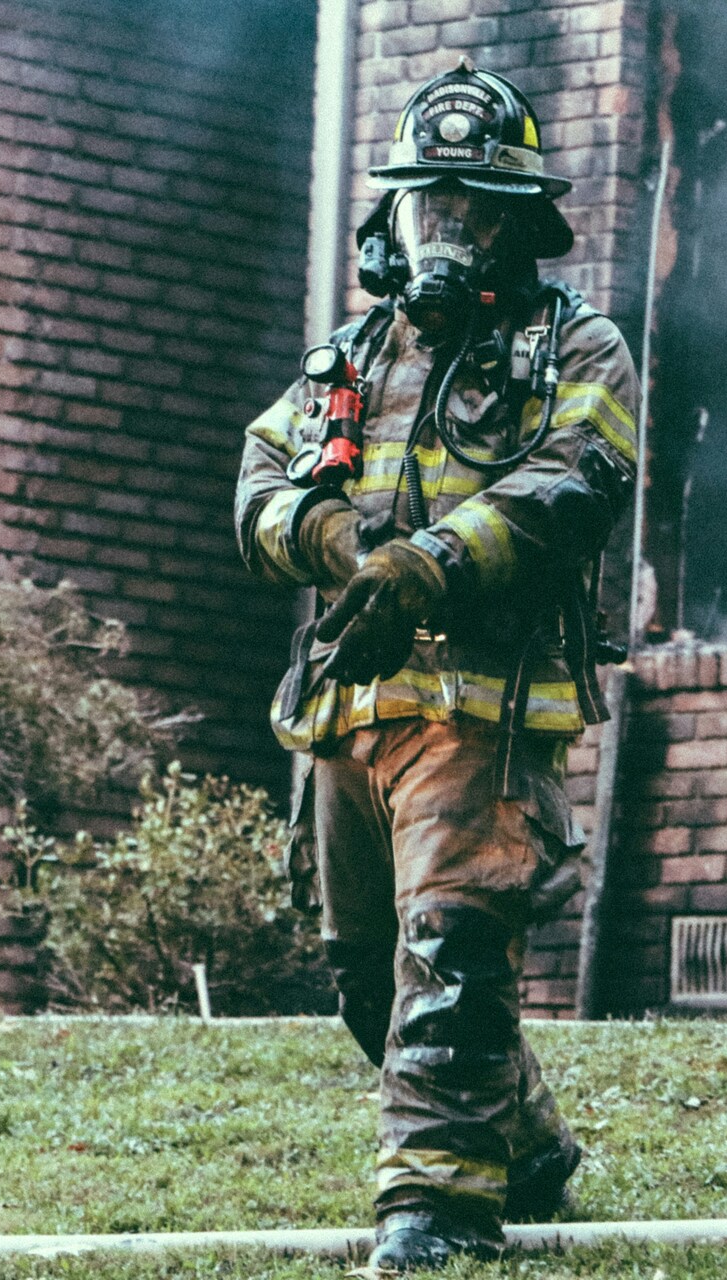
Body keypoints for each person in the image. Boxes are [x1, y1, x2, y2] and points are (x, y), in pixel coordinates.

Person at [234, 59, 640, 1273]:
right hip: (349, 718)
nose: (446, 232)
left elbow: (578, 480)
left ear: (520, 222)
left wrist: (429, 565)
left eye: (471, 207)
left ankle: (439, 1215)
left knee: (452, 956)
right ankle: (533, 1149)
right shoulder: (347, 361)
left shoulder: (579, 347)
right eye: (428, 206)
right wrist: (324, 533)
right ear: (391, 220)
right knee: (373, 981)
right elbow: (257, 486)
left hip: (485, 715)